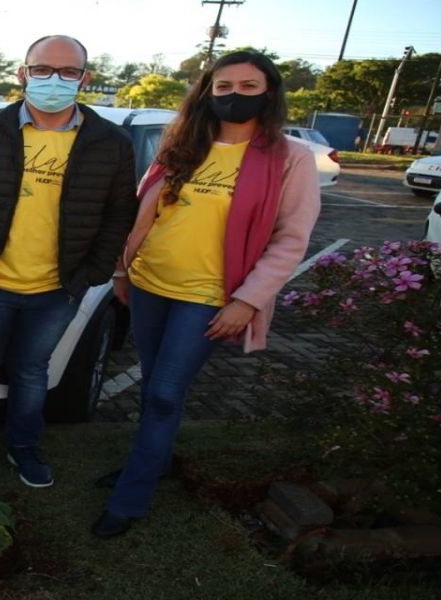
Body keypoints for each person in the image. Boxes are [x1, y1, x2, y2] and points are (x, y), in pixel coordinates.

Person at [91, 51, 321, 539]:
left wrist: (248, 299)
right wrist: (121, 271)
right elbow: (143, 213)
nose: (234, 95)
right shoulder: (182, 144)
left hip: (210, 296)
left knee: (164, 394)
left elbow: (290, 238)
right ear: (207, 92)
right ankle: (152, 463)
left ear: (270, 93)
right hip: (150, 284)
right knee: (156, 387)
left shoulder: (291, 158)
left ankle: (130, 497)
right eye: (223, 86)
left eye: (248, 86)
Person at [0, 35, 137, 489]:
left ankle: (24, 448)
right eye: (42, 70)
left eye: (68, 71)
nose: (54, 80)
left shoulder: (110, 142)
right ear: (23, 74)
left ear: (85, 78)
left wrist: (92, 273)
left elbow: (119, 212)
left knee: (33, 372)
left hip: (58, 288)